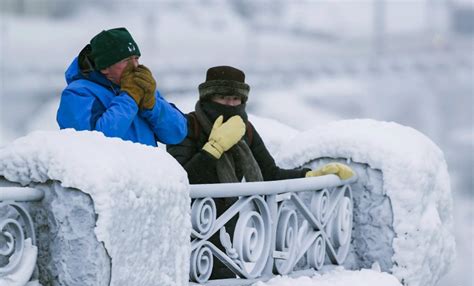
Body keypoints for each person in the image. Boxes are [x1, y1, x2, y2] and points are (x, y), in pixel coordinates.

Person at [167, 65, 354, 184]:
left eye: (235, 99)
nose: (230, 105)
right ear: (208, 98)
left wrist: (311, 176)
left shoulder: (245, 130)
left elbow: (270, 175)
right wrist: (214, 148)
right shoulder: (188, 126)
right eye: (222, 98)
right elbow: (180, 182)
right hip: (194, 229)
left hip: (236, 231)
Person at [57, 27, 187, 147]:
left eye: (136, 58)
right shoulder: (77, 94)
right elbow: (93, 144)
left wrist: (152, 105)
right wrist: (129, 98)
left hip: (146, 171)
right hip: (108, 172)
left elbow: (176, 134)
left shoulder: (140, 87)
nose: (135, 66)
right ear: (104, 67)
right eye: (126, 60)